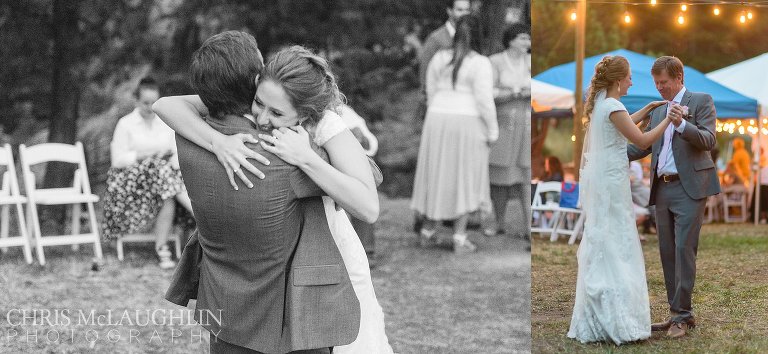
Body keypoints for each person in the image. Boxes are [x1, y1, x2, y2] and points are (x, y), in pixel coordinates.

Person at [156, 40, 393, 353]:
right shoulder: (256, 123)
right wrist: (218, 142)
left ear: (306, 113)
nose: (263, 119)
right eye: (258, 103)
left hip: (331, 253)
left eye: (277, 112)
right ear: (255, 86)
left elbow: (367, 201)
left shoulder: (327, 128)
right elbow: (165, 105)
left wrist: (307, 157)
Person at [568, 55, 671, 345]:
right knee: (617, 237)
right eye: (628, 77)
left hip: (606, 180)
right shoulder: (613, 106)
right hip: (612, 184)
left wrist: (647, 109)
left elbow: (622, 123)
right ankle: (615, 315)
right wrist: (668, 121)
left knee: (605, 235)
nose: (631, 81)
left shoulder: (603, 103)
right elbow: (640, 140)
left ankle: (597, 311)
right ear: (617, 80)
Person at [627, 55, 721, 339]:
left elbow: (709, 140)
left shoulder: (701, 100)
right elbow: (642, 147)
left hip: (690, 187)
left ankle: (682, 315)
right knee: (667, 252)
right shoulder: (657, 111)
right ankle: (676, 314)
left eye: (664, 83)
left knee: (684, 250)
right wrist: (609, 153)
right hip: (662, 188)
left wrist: (681, 124)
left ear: (679, 77)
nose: (660, 88)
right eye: (656, 83)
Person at [411, 15, 497, 254]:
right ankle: (459, 238)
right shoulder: (480, 63)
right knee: (465, 176)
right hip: (467, 121)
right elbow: (484, 101)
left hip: (437, 120)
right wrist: (492, 130)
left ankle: (428, 232)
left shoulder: (439, 58)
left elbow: (431, 91)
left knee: (436, 172)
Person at [102, 77, 194, 269]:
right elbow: (118, 160)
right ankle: (197, 210)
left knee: (167, 192)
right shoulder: (125, 124)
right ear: (136, 101)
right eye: (145, 102)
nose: (150, 107)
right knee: (161, 172)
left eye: (154, 102)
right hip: (130, 181)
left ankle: (162, 249)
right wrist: (144, 156)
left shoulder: (164, 123)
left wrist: (166, 160)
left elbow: (175, 154)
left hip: (162, 181)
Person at [484, 24, 531, 239]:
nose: (527, 42)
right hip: (503, 123)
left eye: (528, 38)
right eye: (522, 38)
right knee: (499, 176)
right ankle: (498, 222)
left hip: (527, 124)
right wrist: (514, 92)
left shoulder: (531, 61)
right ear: (511, 40)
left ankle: (529, 227)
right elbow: (488, 92)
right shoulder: (495, 61)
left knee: (527, 175)